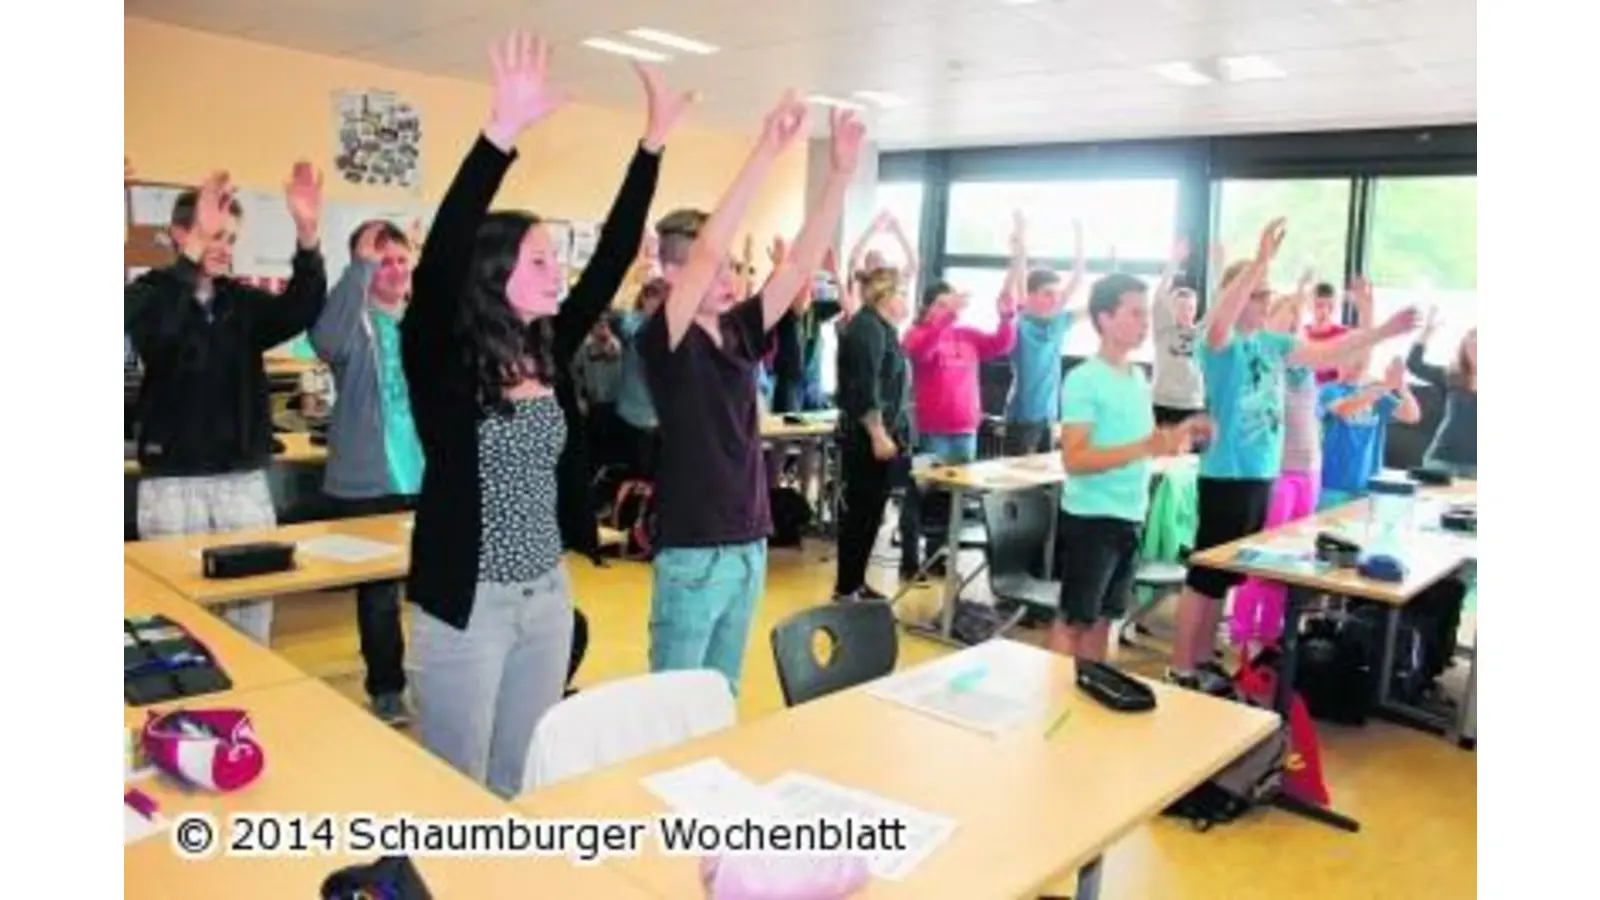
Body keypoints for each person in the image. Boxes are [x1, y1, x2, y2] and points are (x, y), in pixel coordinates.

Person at [399, 32, 685, 797]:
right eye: (539, 261)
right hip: (469, 604)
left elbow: (618, 249)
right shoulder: (443, 360)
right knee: (455, 789)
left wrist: (651, 148)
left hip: (546, 597)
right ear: (495, 275)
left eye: (556, 260)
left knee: (523, 779)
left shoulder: (549, 350)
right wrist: (500, 137)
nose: (559, 272)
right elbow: (440, 262)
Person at [641, 95, 866, 695]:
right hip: (692, 553)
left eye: (729, 271)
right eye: (710, 271)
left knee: (723, 695)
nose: (726, 277)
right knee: (672, 705)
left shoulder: (740, 327)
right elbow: (710, 248)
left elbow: (796, 269)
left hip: (747, 543)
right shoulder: (665, 336)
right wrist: (766, 150)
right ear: (671, 274)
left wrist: (841, 174)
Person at [1166, 219, 1420, 688]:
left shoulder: (1274, 344)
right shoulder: (1219, 344)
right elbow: (1221, 319)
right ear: (1238, 296)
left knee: (1225, 574)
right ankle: (1181, 663)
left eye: (1266, 294)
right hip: (1226, 474)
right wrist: (1260, 261)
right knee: (1205, 575)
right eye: (1258, 294)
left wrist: (1382, 330)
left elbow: (1330, 353)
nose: (1266, 301)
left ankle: (1203, 659)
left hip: (1262, 474)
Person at [125, 163, 328, 645]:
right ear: (179, 234)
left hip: (242, 478)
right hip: (175, 481)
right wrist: (191, 258)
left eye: (231, 238)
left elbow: (302, 306)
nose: (224, 247)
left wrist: (307, 235)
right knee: (173, 618)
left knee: (252, 611)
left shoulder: (243, 303)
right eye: (214, 234)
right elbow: (157, 332)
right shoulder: (152, 294)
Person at [1055, 274, 1208, 661]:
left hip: (1130, 514)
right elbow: (1075, 459)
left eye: (1145, 315)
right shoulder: (1083, 379)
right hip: (1092, 518)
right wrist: (1146, 445)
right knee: (1075, 620)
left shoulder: (1139, 377)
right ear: (1104, 319)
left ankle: (1087, 695)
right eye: (1135, 314)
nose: (1144, 323)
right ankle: (1053, 706)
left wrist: (1173, 438)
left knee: (1105, 619)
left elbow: (1141, 442)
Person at [308, 219, 420, 725]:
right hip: (369, 484)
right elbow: (325, 341)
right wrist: (359, 265)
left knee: (434, 588)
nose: (393, 270)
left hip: (425, 478)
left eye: (400, 259)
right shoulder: (354, 324)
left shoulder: (424, 322)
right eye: (382, 261)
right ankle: (387, 687)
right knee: (378, 596)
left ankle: (436, 675)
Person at [899, 247, 1020, 580]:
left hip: (965, 430)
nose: (949, 311)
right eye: (941, 304)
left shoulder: (966, 335)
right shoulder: (916, 334)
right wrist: (947, 316)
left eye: (951, 305)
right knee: (919, 493)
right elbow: (922, 349)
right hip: (932, 432)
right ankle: (910, 560)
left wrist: (1007, 317)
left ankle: (936, 556)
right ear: (926, 307)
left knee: (949, 500)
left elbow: (1000, 345)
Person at [1226, 290, 1328, 649]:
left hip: (1309, 467)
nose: (1294, 327)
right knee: (1262, 557)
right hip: (1278, 470)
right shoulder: (1265, 361)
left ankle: (1271, 634)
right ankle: (1240, 630)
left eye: (1297, 322)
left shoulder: (1306, 365)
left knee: (1290, 560)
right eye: (1287, 318)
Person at [832, 267, 912, 601]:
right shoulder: (867, 329)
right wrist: (878, 434)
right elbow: (865, 388)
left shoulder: (883, 328)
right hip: (867, 436)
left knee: (872, 512)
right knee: (861, 513)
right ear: (886, 296)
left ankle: (855, 581)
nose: (906, 301)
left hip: (883, 433)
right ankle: (847, 586)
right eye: (902, 293)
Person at [1004, 215, 1086, 455]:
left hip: (1049, 416)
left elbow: (1078, 279)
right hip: (1022, 418)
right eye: (1047, 294)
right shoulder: (1022, 320)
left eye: (1056, 294)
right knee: (1018, 482)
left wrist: (1080, 238)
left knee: (1043, 482)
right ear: (1031, 296)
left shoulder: (1060, 321)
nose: (1054, 299)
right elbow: (1020, 279)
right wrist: (1021, 241)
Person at [1319, 355, 1422, 509]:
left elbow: (1411, 416)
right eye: (1352, 356)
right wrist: (1386, 386)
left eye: (1362, 358)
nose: (1357, 363)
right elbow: (1344, 410)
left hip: (1368, 483)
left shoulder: (1376, 393)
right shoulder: (1329, 390)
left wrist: (1402, 387)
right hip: (1333, 484)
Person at [1407, 312, 1477, 478]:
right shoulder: (1451, 375)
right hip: (1441, 459)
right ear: (1465, 349)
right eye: (1472, 346)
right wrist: (1427, 332)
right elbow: (1414, 364)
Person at [613, 277, 667, 479]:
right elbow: (630, 331)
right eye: (652, 297)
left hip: (659, 415)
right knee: (638, 475)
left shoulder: (668, 329)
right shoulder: (633, 321)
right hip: (634, 413)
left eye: (662, 300)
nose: (656, 303)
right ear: (643, 299)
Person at [1150, 238, 1205, 426]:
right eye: (1180, 307)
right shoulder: (1163, 331)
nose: (1185, 312)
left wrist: (1219, 267)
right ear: (1171, 309)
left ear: (1196, 311)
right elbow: (1159, 297)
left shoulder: (1200, 333)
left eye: (1190, 308)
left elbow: (1220, 309)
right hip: (1163, 402)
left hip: (1192, 404)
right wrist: (1174, 262)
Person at [1304, 280, 1348, 383]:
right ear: (1310, 306)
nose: (1325, 311)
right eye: (1319, 306)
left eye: (1330, 306)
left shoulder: (1344, 335)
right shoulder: (1301, 334)